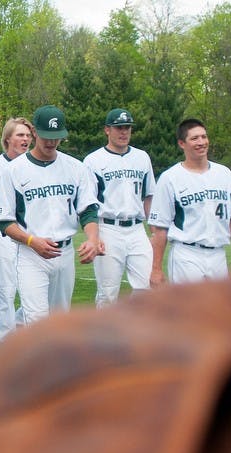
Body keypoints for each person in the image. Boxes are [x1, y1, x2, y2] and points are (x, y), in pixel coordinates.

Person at [0, 105, 103, 326]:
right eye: (46, 136)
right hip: (31, 254)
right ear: (35, 133)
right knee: (36, 320)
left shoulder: (75, 168)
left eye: (57, 137)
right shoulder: (14, 170)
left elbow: (88, 211)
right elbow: (5, 221)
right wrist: (32, 241)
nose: (51, 142)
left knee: (59, 321)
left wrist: (92, 239)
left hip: (64, 251)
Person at [149, 118, 231, 284]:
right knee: (187, 308)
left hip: (218, 254)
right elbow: (160, 228)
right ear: (182, 143)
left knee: (217, 309)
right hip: (186, 254)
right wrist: (156, 269)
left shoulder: (223, 173)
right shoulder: (170, 178)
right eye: (194, 138)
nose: (201, 142)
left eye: (204, 137)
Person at [83, 109, 156, 307]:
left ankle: (136, 333)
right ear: (107, 130)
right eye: (118, 128)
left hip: (136, 228)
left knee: (146, 288)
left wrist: (154, 231)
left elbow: (149, 195)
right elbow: (88, 203)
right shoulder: (93, 160)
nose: (123, 132)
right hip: (108, 228)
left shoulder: (142, 157)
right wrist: (94, 237)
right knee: (108, 293)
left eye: (127, 128)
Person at [0, 117, 34, 341]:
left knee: (34, 290)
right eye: (20, 135)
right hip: (5, 234)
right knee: (5, 292)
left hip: (32, 234)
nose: (25, 139)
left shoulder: (36, 165)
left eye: (28, 135)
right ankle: (5, 344)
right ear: (7, 139)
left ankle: (20, 328)